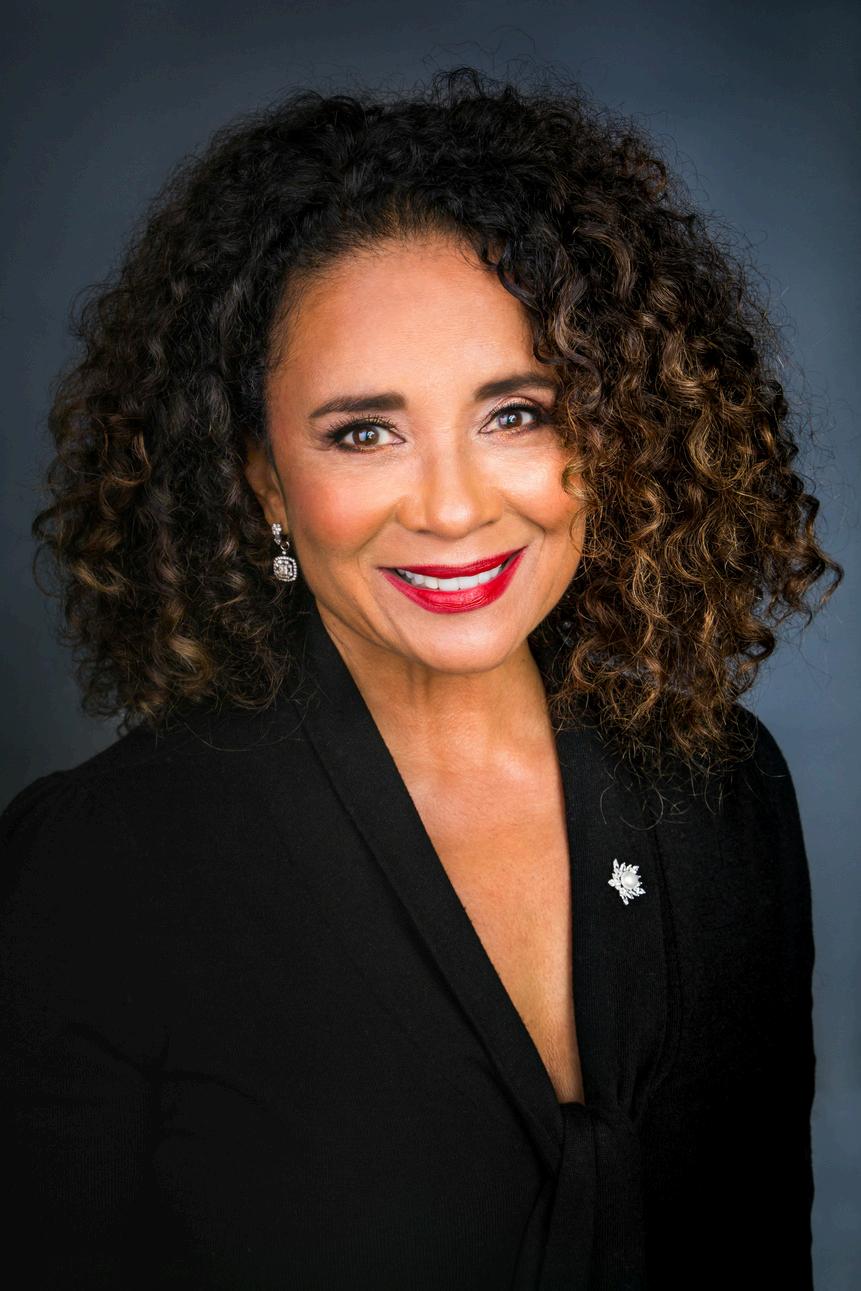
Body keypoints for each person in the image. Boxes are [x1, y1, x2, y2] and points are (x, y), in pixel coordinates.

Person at [0, 65, 842, 1290]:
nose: (452, 507)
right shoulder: (102, 867)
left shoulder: (722, 791)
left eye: (516, 413)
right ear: (263, 480)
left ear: (612, 431)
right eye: (365, 432)